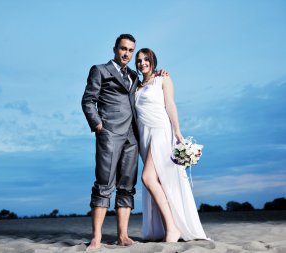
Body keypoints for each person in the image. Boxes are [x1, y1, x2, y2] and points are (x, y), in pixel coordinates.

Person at [82, 34, 169, 251]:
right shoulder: (100, 70)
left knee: (127, 187)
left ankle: (123, 236)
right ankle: (96, 238)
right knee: (104, 184)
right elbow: (88, 100)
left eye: (131, 50)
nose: (126, 54)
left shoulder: (133, 75)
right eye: (123, 49)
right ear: (115, 48)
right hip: (109, 134)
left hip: (133, 137)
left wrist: (159, 74)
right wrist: (99, 127)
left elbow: (146, 86)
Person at [134, 48, 208, 242]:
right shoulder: (137, 86)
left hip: (160, 129)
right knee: (158, 181)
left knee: (147, 177)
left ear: (153, 61)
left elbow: (170, 105)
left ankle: (172, 227)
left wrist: (177, 131)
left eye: (146, 59)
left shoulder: (163, 79)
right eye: (139, 60)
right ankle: (169, 225)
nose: (142, 63)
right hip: (145, 136)